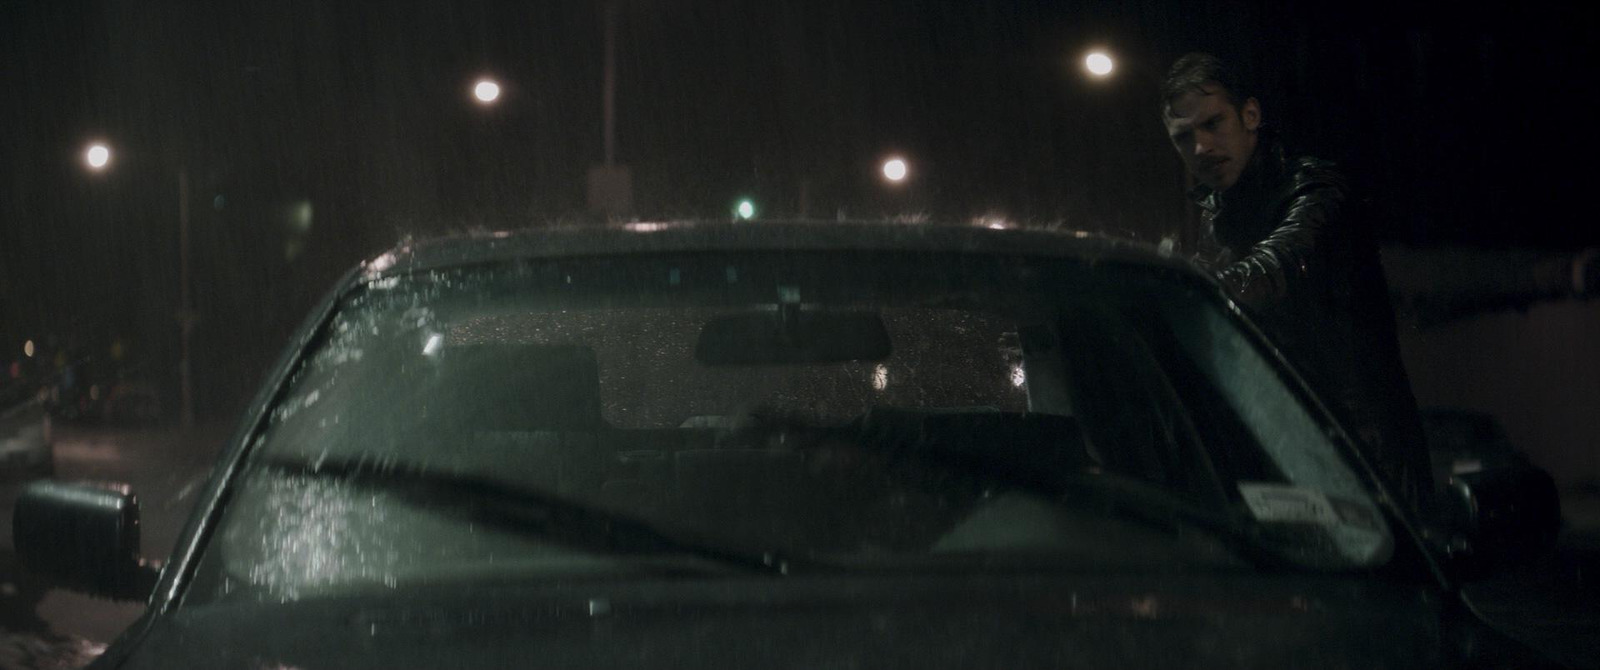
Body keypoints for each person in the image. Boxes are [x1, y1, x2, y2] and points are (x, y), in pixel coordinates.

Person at [1159, 52, 1435, 521]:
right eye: (1184, 137)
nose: (1201, 148)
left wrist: (1174, 285)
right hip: (1281, 451)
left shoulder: (1316, 189)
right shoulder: (1215, 217)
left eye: (1213, 124)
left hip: (1361, 457)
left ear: (1251, 115)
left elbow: (1276, 268)